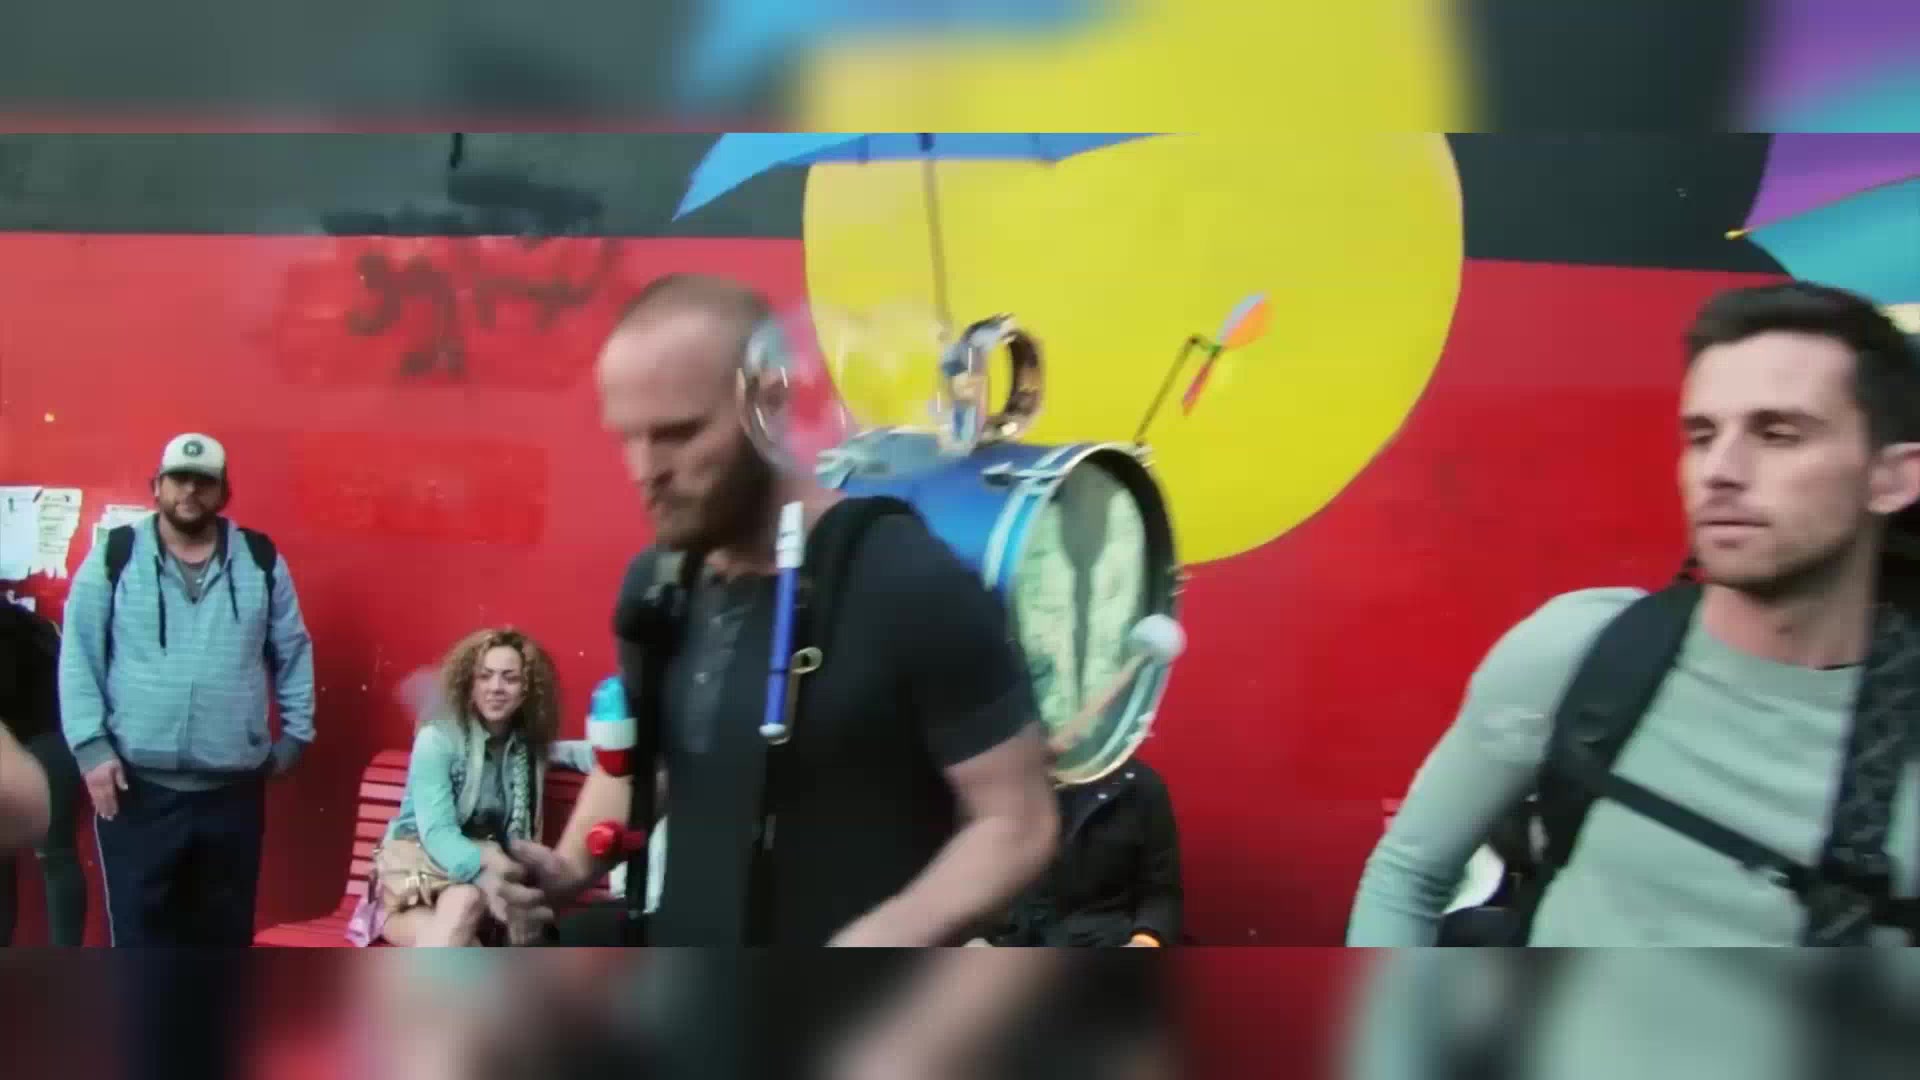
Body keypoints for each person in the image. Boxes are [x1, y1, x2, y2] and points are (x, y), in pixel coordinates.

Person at [1349, 282, 1920, 947]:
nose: (1720, 470)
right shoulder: (1583, 653)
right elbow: (1409, 875)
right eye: (1702, 435)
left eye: (1777, 434)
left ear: (1893, 478)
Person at [504, 272, 1060, 947]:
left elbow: (1017, 822)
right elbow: (652, 764)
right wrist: (567, 868)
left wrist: (880, 938)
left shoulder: (904, 577)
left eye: (678, 434)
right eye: (628, 436)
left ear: (768, 401)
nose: (644, 469)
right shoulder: (656, 587)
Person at [58, 433, 316, 946]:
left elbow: (293, 650)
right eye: (179, 479)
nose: (190, 492)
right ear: (157, 486)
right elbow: (78, 656)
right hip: (136, 790)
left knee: (222, 941)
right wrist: (91, 748)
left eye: (204, 481)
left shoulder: (260, 559)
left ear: (223, 492)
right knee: (140, 944)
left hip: (232, 792)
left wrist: (295, 736)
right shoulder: (115, 556)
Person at [354, 628, 564, 947]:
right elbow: (437, 832)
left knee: (466, 907)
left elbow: (575, 753)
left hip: (472, 892)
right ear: (470, 684)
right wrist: (487, 870)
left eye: (509, 678)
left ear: (526, 690)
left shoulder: (527, 749)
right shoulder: (437, 739)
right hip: (413, 886)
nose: (496, 687)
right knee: (467, 903)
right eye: (485, 676)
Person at [988, 757, 1183, 948]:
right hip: (1011, 941)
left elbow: (1160, 892)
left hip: (1105, 939)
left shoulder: (1140, 785)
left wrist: (1145, 940)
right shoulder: (993, 783)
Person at [0, 598, 88, 945]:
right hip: (53, 742)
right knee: (56, 858)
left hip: (34, 742)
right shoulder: (32, 622)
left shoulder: (18, 627)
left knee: (52, 857)